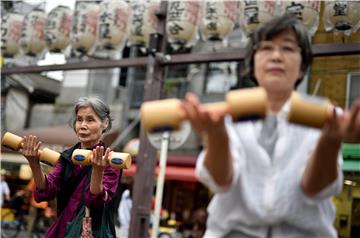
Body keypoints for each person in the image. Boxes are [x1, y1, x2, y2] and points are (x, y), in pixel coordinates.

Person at [182, 14, 360, 238]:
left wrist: (331, 140)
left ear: (303, 67)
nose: (276, 56)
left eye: (287, 49)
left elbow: (314, 189)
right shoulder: (228, 112)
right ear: (253, 64)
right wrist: (216, 134)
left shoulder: (325, 116)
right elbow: (222, 181)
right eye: (266, 48)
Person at [19, 96, 121, 238]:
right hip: (64, 228)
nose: (82, 125)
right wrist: (34, 163)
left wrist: (98, 170)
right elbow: (46, 192)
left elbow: (94, 201)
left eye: (90, 120)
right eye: (79, 119)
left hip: (92, 231)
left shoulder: (111, 160)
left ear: (105, 123)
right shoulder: (67, 157)